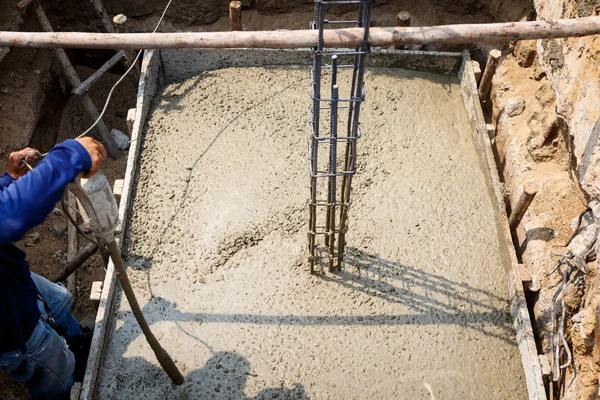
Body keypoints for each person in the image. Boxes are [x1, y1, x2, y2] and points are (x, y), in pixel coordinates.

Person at [0, 137, 107, 400]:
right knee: (56, 370)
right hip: (10, 327)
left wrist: (10, 179)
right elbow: (10, 216)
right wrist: (71, 154)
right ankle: (62, 390)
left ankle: (77, 342)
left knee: (59, 300)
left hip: (10, 279)